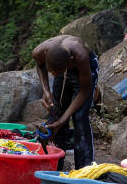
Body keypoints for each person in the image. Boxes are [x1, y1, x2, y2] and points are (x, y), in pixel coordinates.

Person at [32, 35, 99, 170]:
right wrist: (46, 91)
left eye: (56, 73)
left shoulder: (81, 56)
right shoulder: (39, 51)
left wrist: (64, 119)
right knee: (56, 112)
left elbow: (85, 91)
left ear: (70, 64)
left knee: (80, 117)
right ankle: (55, 164)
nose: (54, 76)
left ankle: (85, 169)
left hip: (85, 69)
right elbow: (39, 66)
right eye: (51, 72)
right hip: (60, 64)